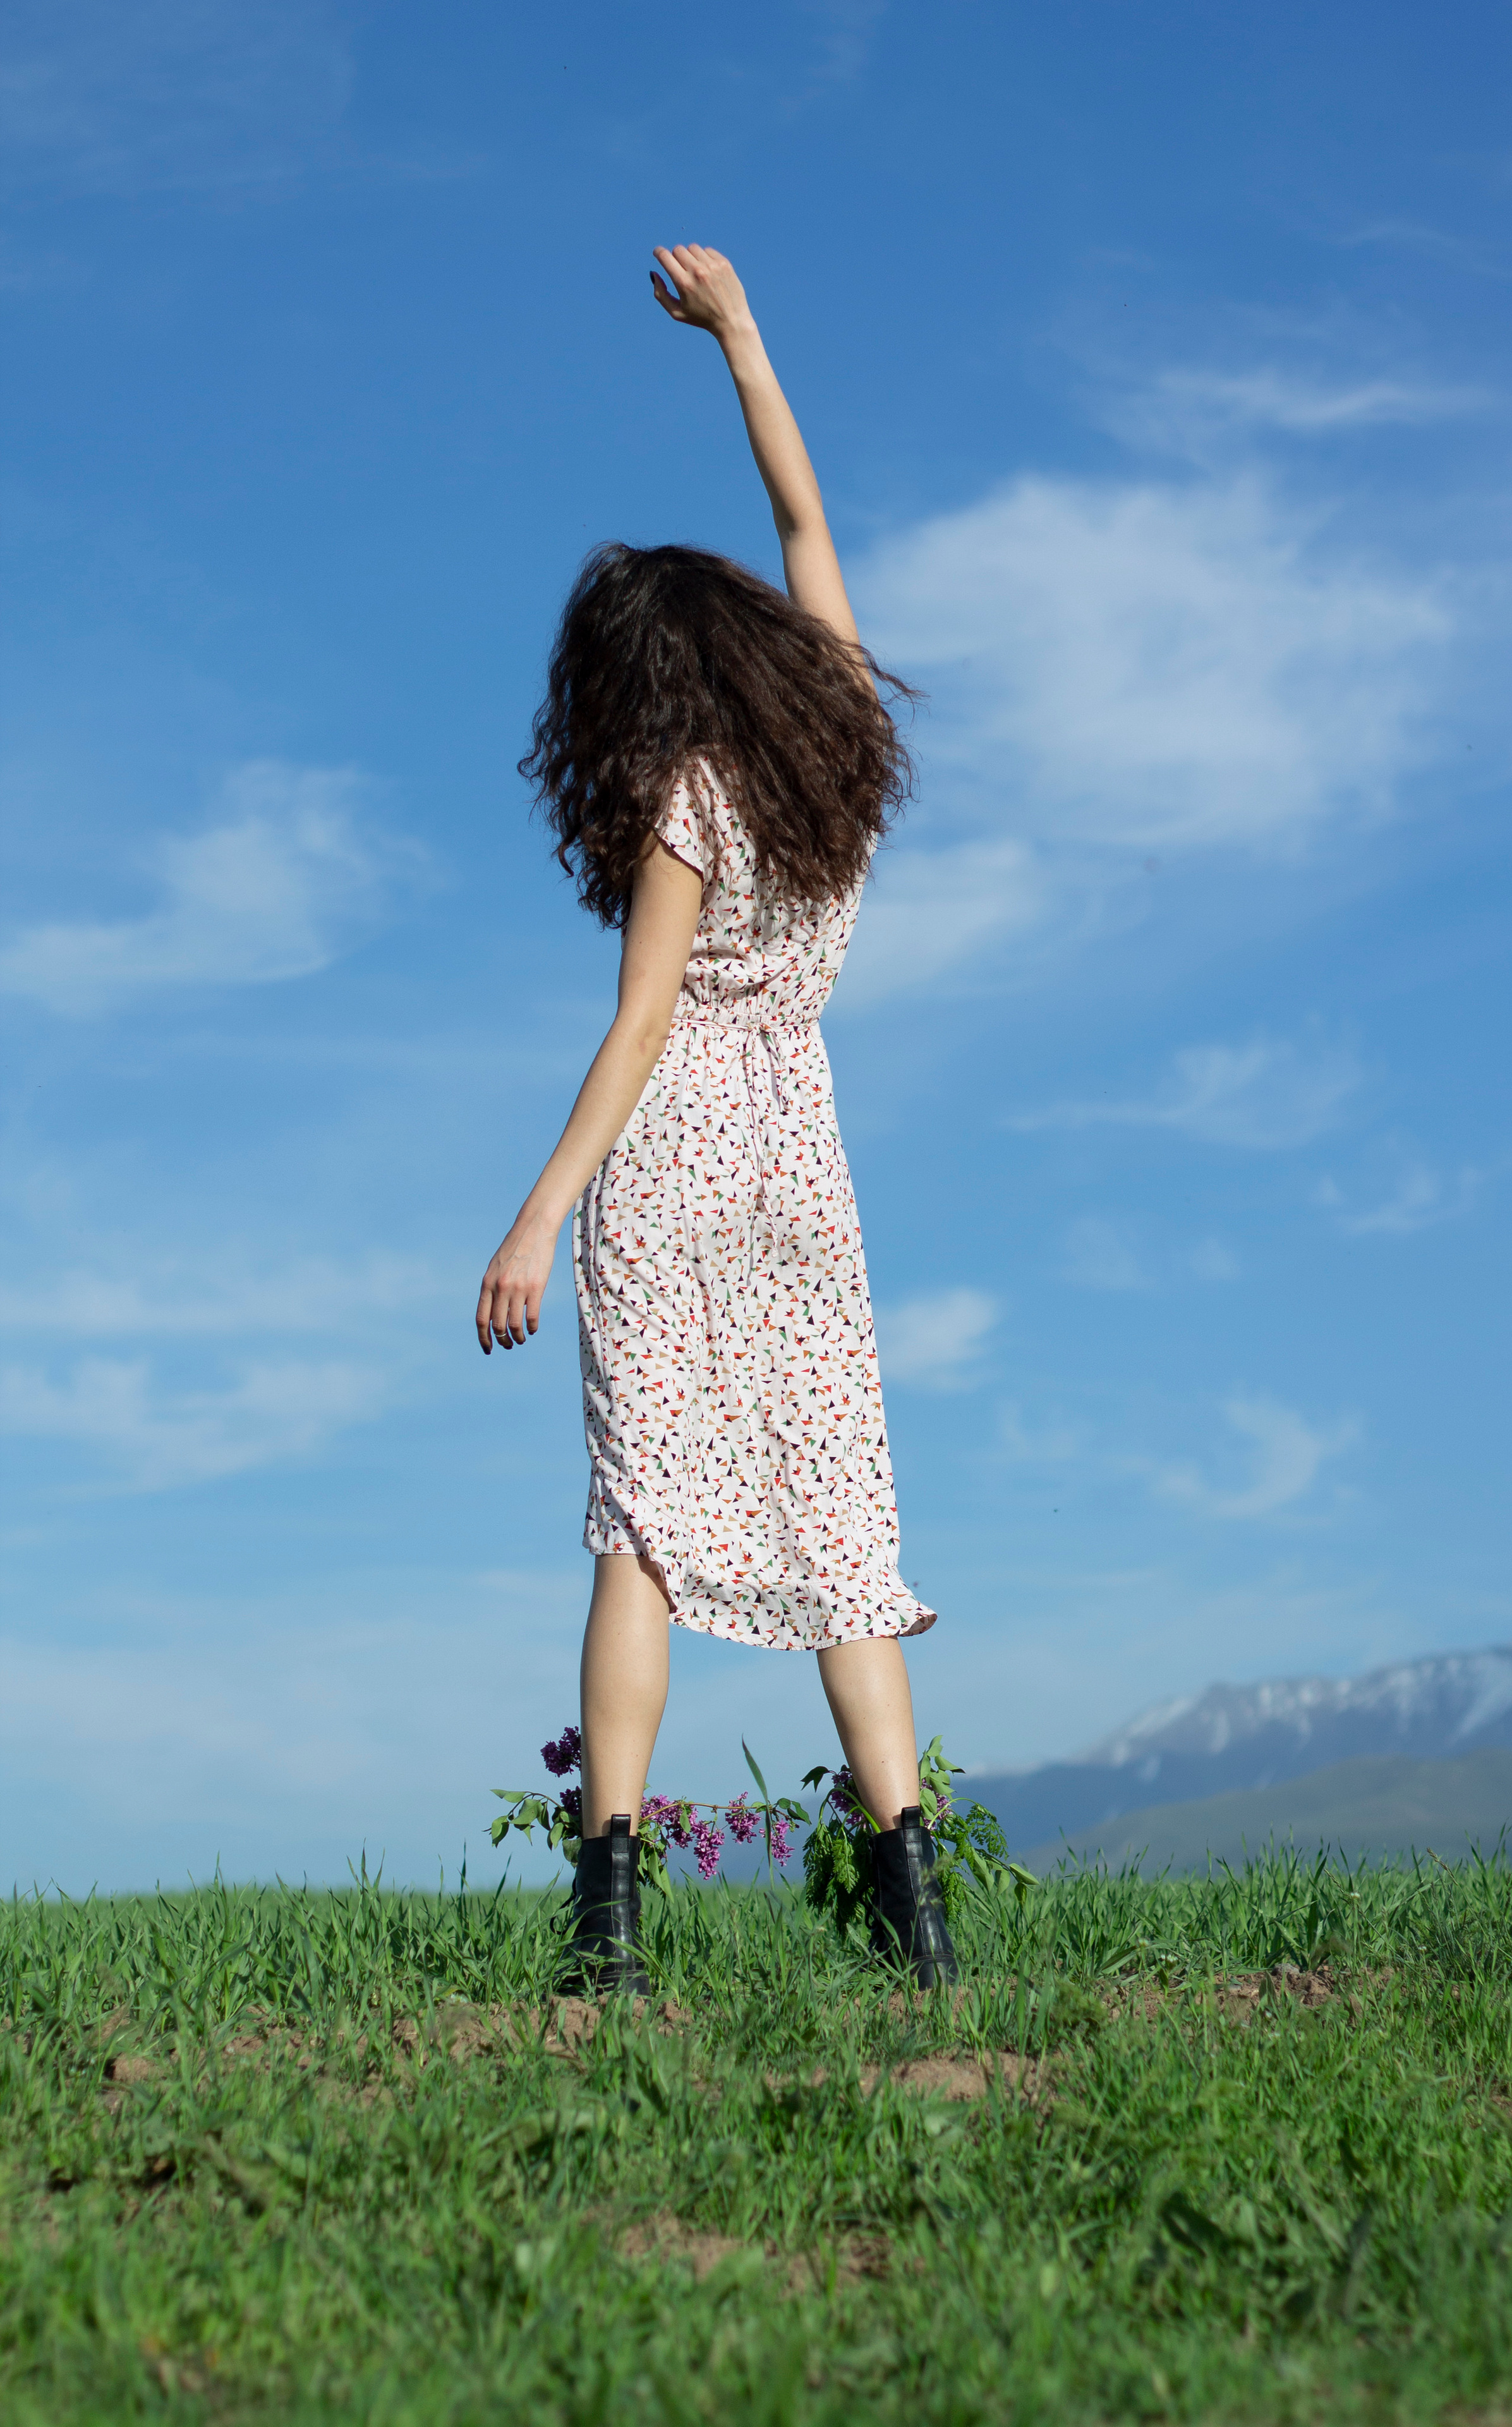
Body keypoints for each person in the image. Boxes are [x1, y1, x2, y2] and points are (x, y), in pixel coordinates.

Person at [475, 245, 956, 1996]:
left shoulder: (685, 801)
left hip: (674, 1165)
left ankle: (608, 1923)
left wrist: (537, 1215)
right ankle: (922, 1929)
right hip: (803, 1175)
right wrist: (746, 337)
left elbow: (640, 1029)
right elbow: (811, 525)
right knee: (844, 1523)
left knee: (642, 1530)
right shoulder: (837, 755)